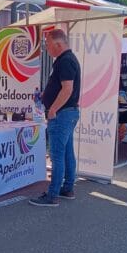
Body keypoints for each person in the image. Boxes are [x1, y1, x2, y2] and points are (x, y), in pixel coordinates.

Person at [29, 29, 81, 207]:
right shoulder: (66, 60)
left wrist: (53, 109)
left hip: (62, 114)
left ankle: (52, 195)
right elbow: (62, 87)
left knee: (57, 155)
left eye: (48, 44)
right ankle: (67, 188)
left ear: (58, 44)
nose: (46, 48)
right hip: (68, 113)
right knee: (67, 152)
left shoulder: (65, 61)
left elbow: (67, 89)